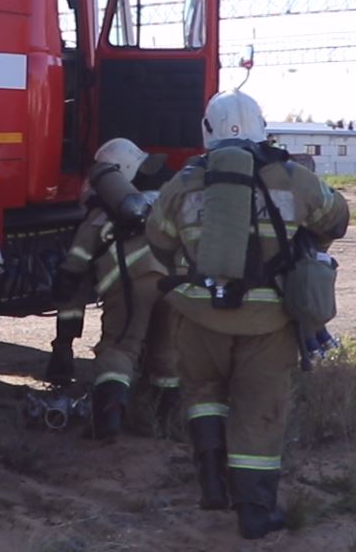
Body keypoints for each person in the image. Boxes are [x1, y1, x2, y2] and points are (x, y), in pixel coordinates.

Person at [145, 89, 349, 540]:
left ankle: (211, 481)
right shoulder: (293, 178)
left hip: (198, 316)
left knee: (203, 393)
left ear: (207, 130)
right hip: (268, 323)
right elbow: (336, 219)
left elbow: (157, 238)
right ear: (261, 127)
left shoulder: (184, 182)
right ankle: (254, 511)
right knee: (259, 411)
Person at [47, 138, 179, 438]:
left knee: (120, 349)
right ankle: (165, 421)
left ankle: (108, 422)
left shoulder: (100, 213)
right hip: (173, 280)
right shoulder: (160, 200)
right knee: (166, 352)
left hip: (133, 283)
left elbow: (75, 268)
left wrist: (63, 343)